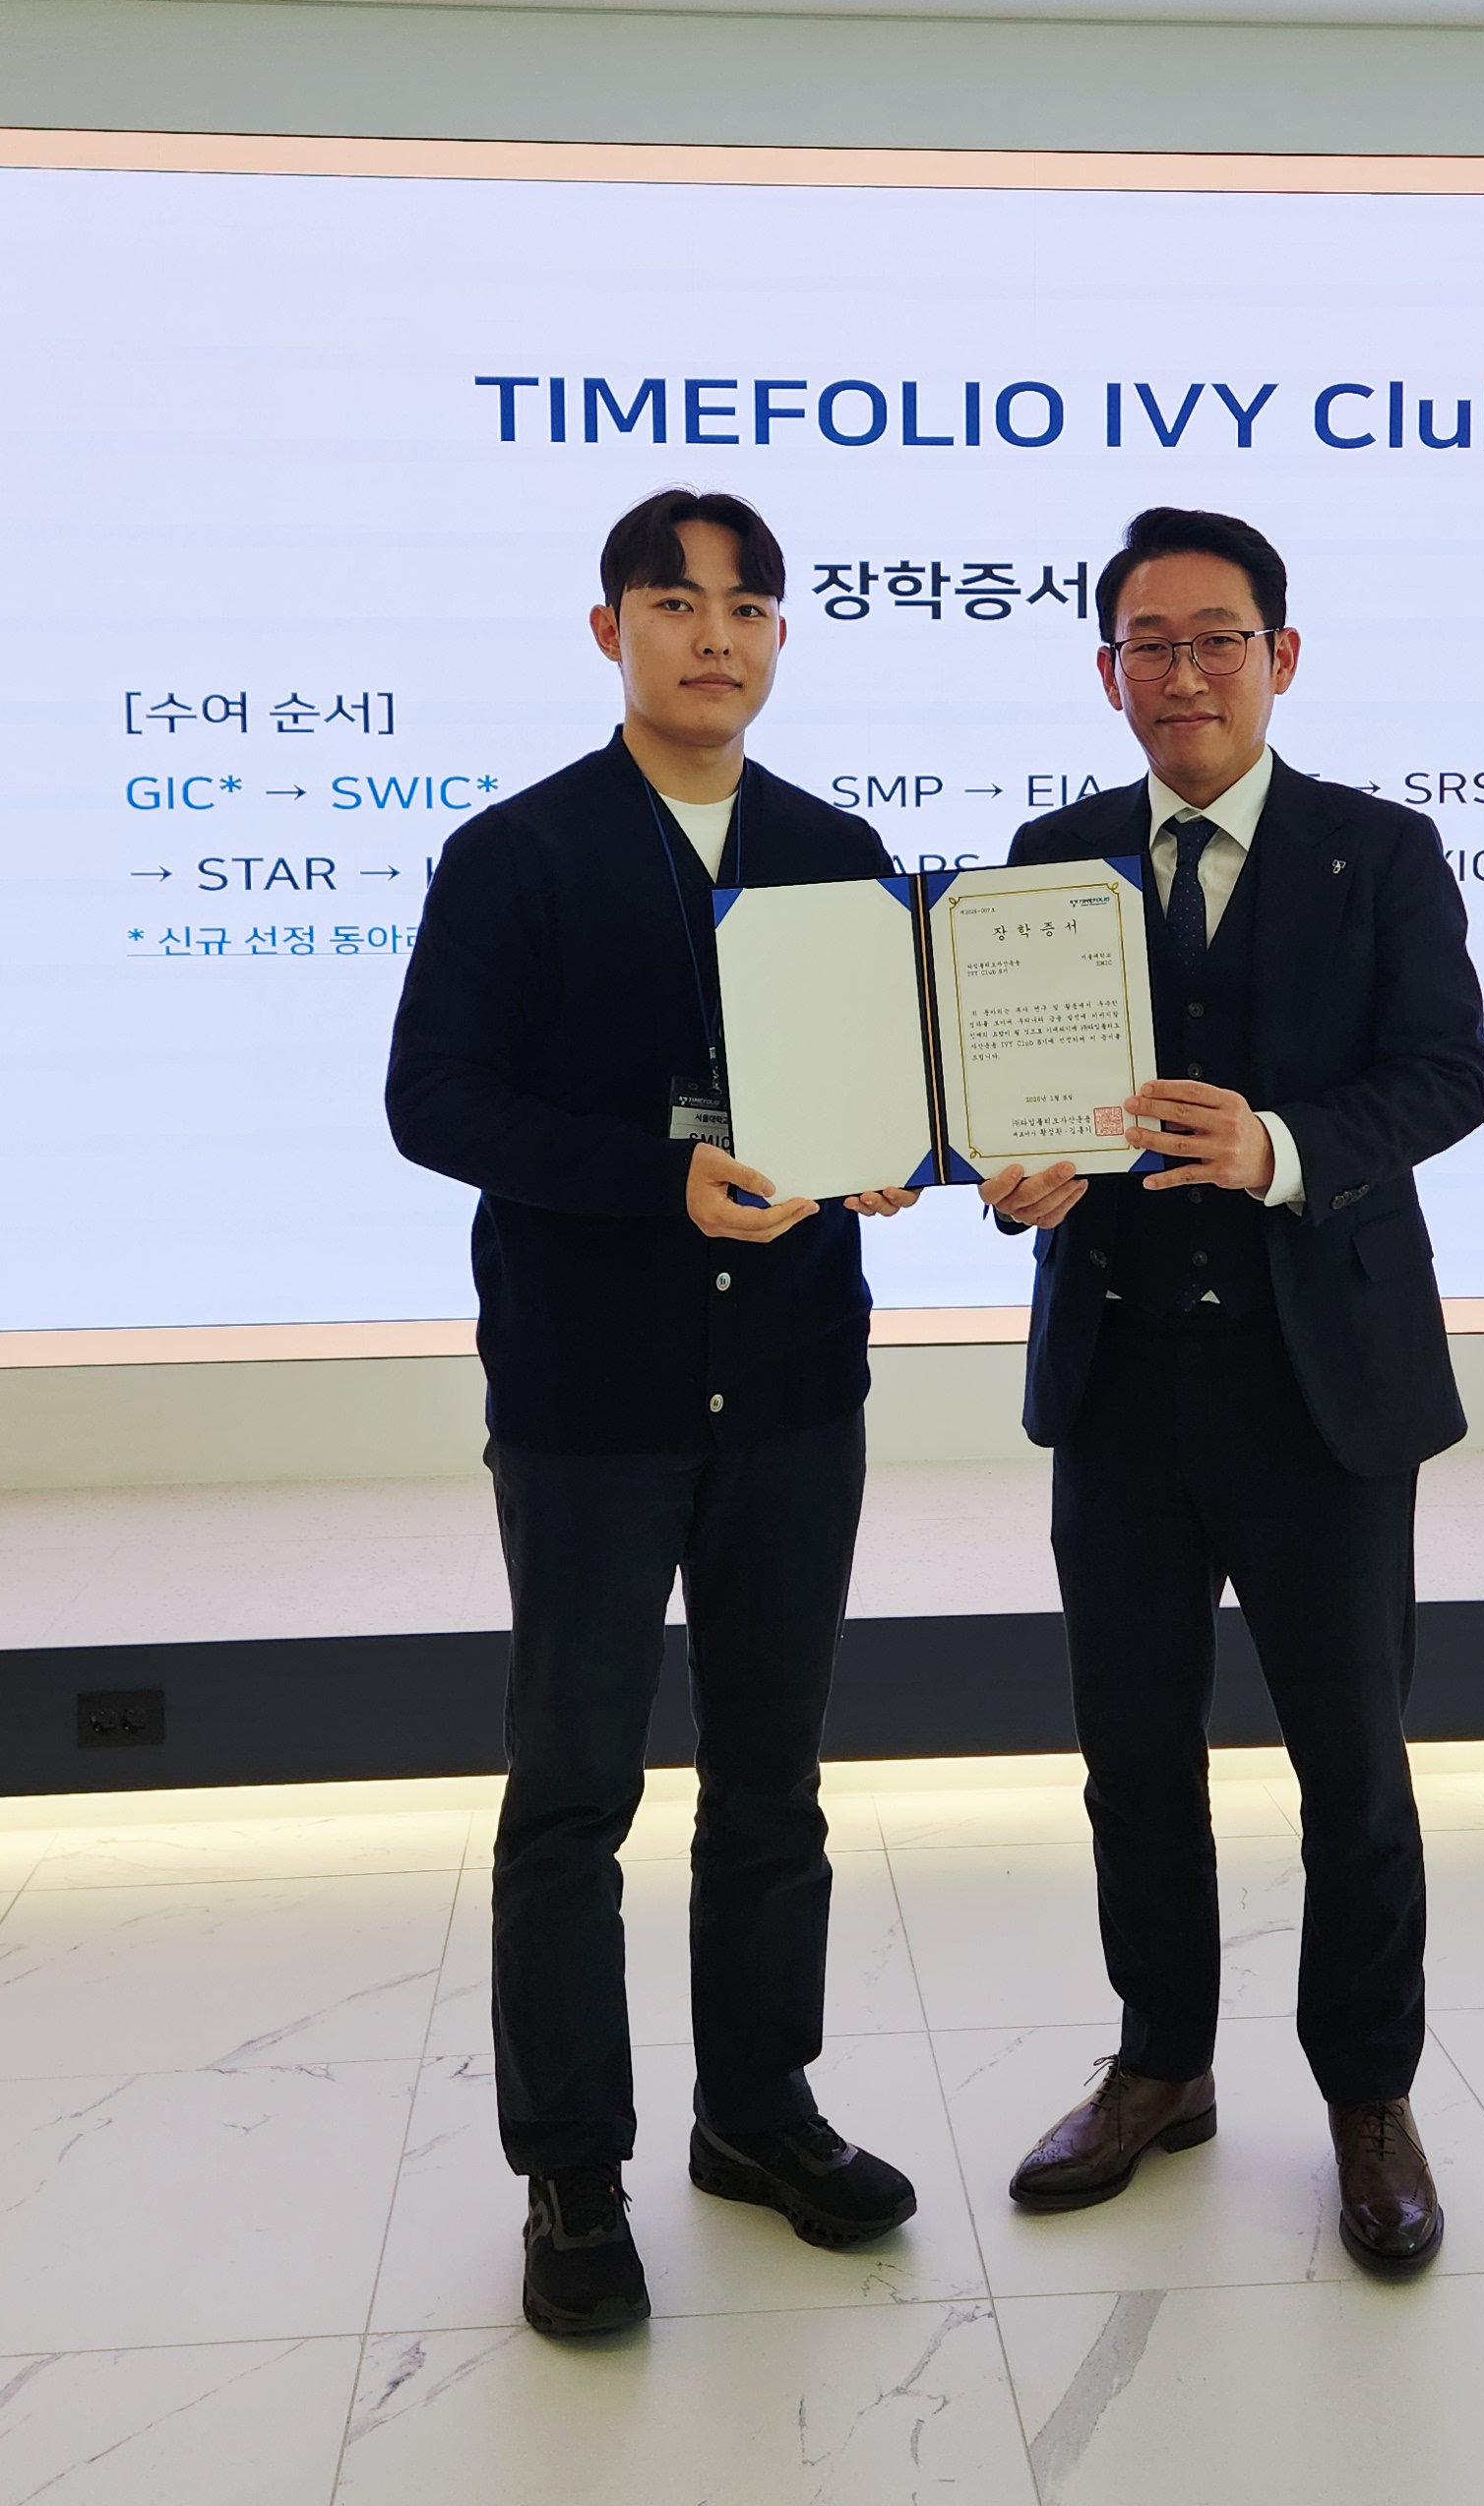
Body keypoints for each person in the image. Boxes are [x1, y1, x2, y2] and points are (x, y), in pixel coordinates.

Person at [385, 490, 922, 2342]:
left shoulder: (839, 854)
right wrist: (652, 1180)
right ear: (609, 627)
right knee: (574, 1794)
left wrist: (898, 1150)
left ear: (779, 636)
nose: (718, 635)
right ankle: (571, 2171)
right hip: (590, 1396)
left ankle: (757, 2112)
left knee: (774, 1780)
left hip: (791, 1392)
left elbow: (878, 1089)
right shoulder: (515, 854)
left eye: (750, 605)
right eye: (679, 602)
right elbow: (436, 1103)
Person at [973, 505, 1484, 2273]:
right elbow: (1012, 1109)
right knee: (1133, 1754)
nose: (1182, 673)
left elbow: (1447, 1077)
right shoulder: (1049, 861)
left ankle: (1369, 2096)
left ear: (1282, 655)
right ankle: (1161, 2066)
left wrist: (1278, 1145)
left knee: (1353, 1764)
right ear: (1107, 670)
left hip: (1319, 1387)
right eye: (1150, 643)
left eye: (1217, 639)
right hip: (1120, 1380)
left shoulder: (1380, 850)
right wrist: (1013, 1177)